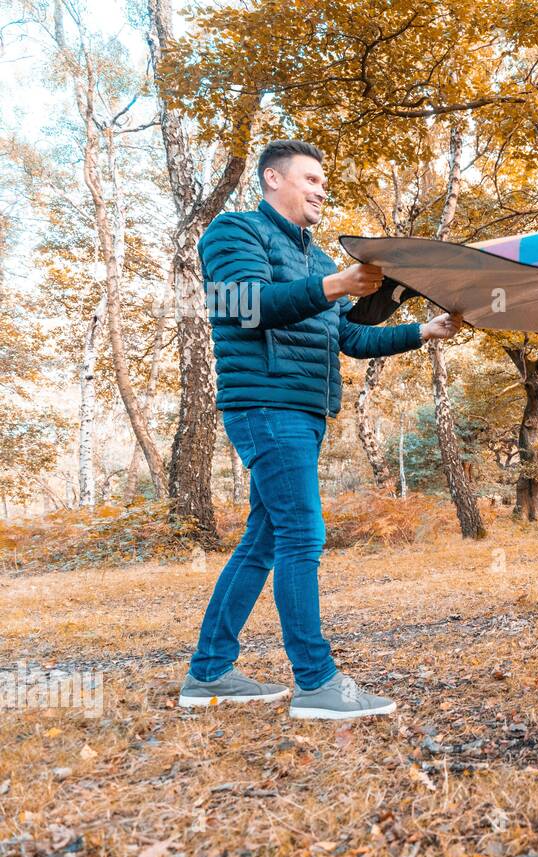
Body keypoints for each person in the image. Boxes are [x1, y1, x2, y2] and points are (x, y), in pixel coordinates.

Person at [179, 140, 462, 719]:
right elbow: (242, 304)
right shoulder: (234, 232)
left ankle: (207, 673)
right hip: (264, 404)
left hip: (305, 412)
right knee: (303, 534)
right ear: (272, 179)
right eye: (310, 178)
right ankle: (316, 682)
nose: (321, 188)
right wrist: (337, 286)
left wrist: (424, 331)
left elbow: (350, 340)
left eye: (323, 181)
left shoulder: (318, 262)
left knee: (262, 541)